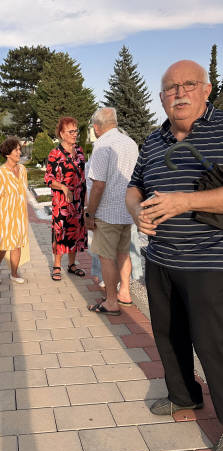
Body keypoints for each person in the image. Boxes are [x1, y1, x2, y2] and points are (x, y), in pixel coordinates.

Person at [126, 59, 223, 451]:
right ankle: (183, 396)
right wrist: (137, 212)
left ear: (206, 89)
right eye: (170, 88)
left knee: (215, 345)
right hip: (161, 258)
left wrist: (185, 201)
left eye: (188, 85)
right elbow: (134, 187)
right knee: (169, 335)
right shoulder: (153, 140)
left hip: (210, 261)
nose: (179, 93)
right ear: (162, 97)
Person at [86, 108, 138, 315]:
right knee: (124, 253)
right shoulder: (130, 143)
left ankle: (111, 301)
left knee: (106, 257)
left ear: (96, 127)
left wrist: (90, 214)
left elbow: (98, 185)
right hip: (127, 209)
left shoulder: (102, 145)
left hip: (107, 212)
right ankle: (124, 293)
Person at [44, 117, 87, 280]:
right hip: (62, 203)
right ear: (62, 134)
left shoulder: (80, 151)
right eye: (71, 131)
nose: (75, 134)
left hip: (78, 201)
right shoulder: (55, 153)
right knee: (60, 232)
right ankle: (56, 265)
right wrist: (63, 187)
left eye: (76, 131)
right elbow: (48, 178)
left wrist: (85, 198)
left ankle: (72, 264)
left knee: (75, 231)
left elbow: (83, 177)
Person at [0, 137, 29, 284]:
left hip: (20, 216)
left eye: (19, 149)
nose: (19, 152)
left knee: (17, 245)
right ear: (7, 153)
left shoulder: (23, 170)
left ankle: (14, 273)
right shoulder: (0, 173)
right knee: (3, 247)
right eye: (16, 150)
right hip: (5, 217)